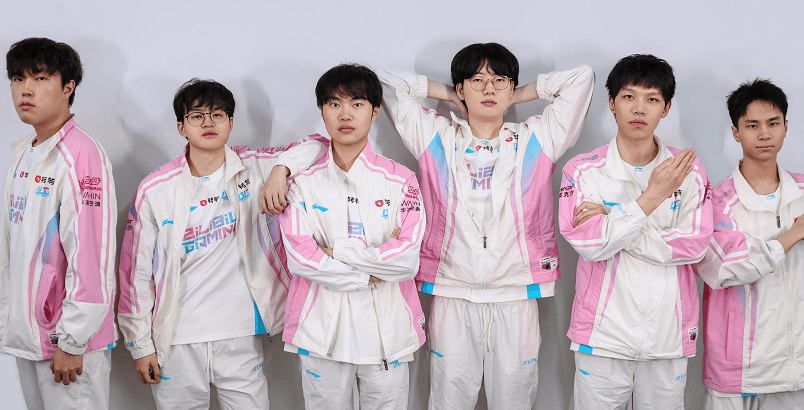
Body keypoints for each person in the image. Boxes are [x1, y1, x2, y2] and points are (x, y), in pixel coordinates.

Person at [379, 43, 594, 409]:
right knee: (448, 401)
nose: (489, 88)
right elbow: (382, 82)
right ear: (461, 88)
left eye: (499, 80)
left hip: (516, 292)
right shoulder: (435, 136)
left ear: (511, 86)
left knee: (514, 401)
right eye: (477, 80)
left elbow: (582, 78)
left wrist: (516, 95)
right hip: (452, 290)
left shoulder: (537, 138)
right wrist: (451, 95)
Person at [117, 78, 325, 410]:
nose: (208, 123)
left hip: (240, 334)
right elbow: (135, 274)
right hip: (176, 339)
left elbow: (320, 145)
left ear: (230, 122)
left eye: (217, 114)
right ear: (181, 127)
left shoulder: (255, 166)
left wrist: (280, 170)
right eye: (196, 116)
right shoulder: (155, 188)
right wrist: (140, 345)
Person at [559, 54, 713, 410]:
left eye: (652, 99)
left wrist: (613, 218)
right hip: (602, 337)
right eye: (629, 96)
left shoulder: (688, 171)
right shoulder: (582, 171)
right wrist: (652, 197)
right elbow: (591, 243)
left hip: (668, 336)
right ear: (612, 103)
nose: (639, 108)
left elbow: (694, 246)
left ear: (666, 108)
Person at [278, 64, 426, 410]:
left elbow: (406, 261)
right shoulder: (300, 184)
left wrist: (335, 251)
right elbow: (301, 259)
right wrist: (371, 271)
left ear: (375, 111)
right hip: (321, 333)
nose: (345, 114)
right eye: (334, 104)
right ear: (322, 110)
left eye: (357, 104)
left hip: (388, 332)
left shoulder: (401, 180)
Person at [0, 37, 117, 409]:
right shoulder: (25, 154)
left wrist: (73, 341)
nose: (25, 90)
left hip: (68, 344)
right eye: (17, 79)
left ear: (68, 87)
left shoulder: (81, 155)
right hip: (28, 337)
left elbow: (92, 256)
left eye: (40, 78)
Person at [697, 79, 804, 410]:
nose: (764, 134)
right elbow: (724, 269)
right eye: (752, 125)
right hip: (738, 370)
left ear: (786, 127)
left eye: (773, 123)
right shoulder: (716, 202)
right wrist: (793, 234)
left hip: (796, 368)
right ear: (736, 132)